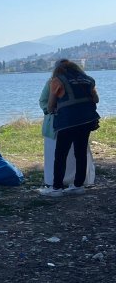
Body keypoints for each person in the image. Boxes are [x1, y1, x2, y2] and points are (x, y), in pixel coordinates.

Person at [42, 58, 100, 197]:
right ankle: (78, 185)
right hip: (87, 121)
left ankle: (56, 188)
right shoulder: (88, 79)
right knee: (80, 153)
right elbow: (96, 99)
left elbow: (50, 105)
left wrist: (52, 110)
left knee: (60, 155)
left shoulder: (56, 80)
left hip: (67, 122)